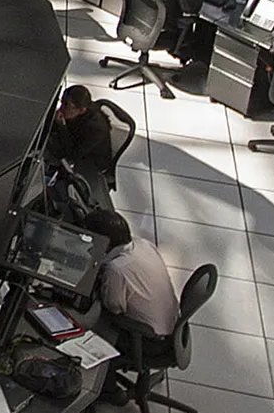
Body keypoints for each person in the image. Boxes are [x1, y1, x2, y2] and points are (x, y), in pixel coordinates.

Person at [80, 209, 180, 380]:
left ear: (105, 242)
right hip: (172, 326)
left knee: (92, 327)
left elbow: (114, 307)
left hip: (150, 341)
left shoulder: (117, 269)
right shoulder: (144, 244)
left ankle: (108, 386)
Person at [45, 84, 117, 196]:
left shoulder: (95, 129)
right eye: (62, 102)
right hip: (75, 147)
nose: (61, 108)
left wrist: (62, 127)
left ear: (81, 110)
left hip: (89, 162)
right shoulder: (75, 114)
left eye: (66, 105)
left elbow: (72, 154)